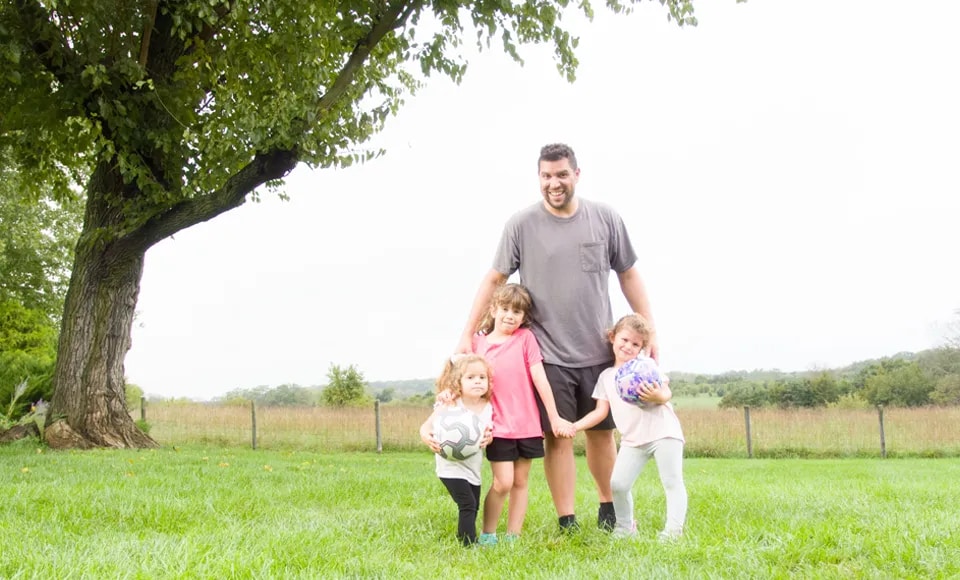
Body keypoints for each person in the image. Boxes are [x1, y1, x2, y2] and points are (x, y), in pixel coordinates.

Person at [456, 143, 658, 532]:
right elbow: (495, 278)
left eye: (562, 174)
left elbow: (629, 274)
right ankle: (567, 518)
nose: (554, 183)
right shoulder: (521, 224)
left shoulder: (605, 219)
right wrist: (467, 332)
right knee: (559, 437)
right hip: (547, 354)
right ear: (539, 178)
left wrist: (650, 330)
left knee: (602, 433)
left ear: (577, 175)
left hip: (599, 350)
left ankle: (608, 508)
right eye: (546, 176)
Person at [470, 283, 575, 546]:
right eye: (505, 309)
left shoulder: (525, 339)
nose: (510, 316)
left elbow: (540, 378)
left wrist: (554, 417)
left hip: (528, 426)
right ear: (494, 309)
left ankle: (513, 537)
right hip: (498, 427)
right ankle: (488, 533)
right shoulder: (477, 344)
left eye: (517, 312)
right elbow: (463, 380)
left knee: (520, 482)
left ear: (523, 316)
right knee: (502, 482)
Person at [572, 313, 686, 540]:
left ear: (642, 348)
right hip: (633, 440)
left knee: (672, 481)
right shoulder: (606, 376)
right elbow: (600, 412)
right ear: (613, 337)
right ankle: (625, 528)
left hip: (664, 433)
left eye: (636, 344)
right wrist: (574, 426)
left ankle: (673, 531)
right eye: (624, 340)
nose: (628, 346)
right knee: (618, 484)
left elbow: (666, 392)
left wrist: (658, 396)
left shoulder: (645, 365)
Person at [419, 354, 494, 546]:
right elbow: (426, 426)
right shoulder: (451, 403)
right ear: (458, 382)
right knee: (467, 504)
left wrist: (489, 437)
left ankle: (465, 535)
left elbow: (486, 433)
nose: (477, 381)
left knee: (474, 506)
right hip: (449, 467)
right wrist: (427, 437)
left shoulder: (488, 408)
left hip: (472, 467)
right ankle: (469, 544)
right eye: (470, 377)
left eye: (482, 377)